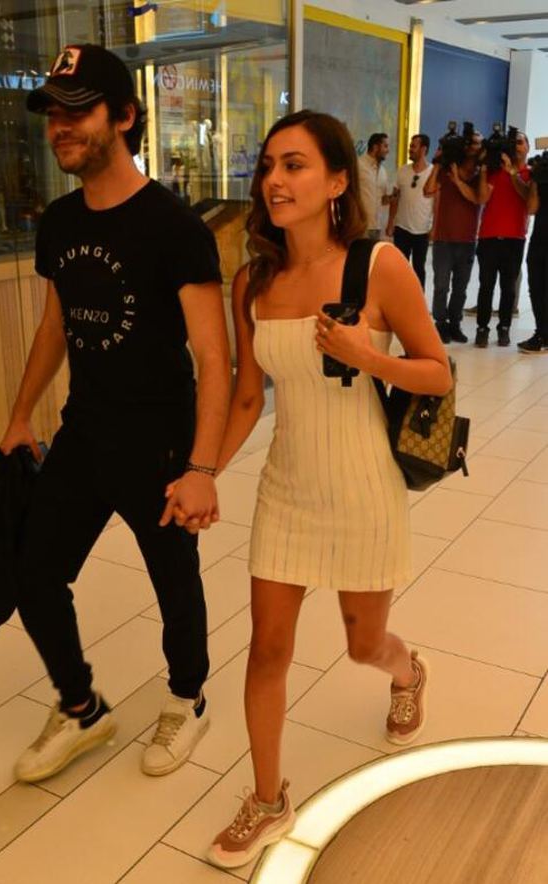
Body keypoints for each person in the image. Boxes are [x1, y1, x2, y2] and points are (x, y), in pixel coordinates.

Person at [206, 110, 451, 869]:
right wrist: (201, 473)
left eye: (295, 166)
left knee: (361, 645)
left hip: (364, 486)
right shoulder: (253, 281)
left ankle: (408, 671)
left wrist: (365, 355)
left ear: (337, 181)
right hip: (286, 487)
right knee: (266, 650)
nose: (274, 182)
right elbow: (247, 397)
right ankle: (268, 798)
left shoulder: (378, 267)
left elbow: (437, 373)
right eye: (268, 167)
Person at [0, 44, 231, 783]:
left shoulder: (175, 227)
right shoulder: (60, 222)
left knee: (173, 583)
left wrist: (202, 467)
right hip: (84, 432)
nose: (59, 127)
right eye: (52, 113)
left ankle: (188, 698)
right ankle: (81, 708)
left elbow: (214, 358)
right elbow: (54, 328)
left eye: (78, 111)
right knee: (35, 574)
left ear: (125, 116)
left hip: (160, 442)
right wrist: (20, 416)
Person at [423, 130, 485, 344]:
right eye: (470, 142)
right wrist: (437, 164)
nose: (473, 146)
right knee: (441, 285)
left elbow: (476, 198)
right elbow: (427, 190)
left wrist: (458, 181)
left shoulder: (480, 174)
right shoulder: (446, 170)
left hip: (467, 240)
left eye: (477, 143)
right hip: (443, 239)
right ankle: (440, 323)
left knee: (460, 287)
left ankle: (455, 324)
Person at [474, 132, 531, 348]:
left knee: (508, 288)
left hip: (514, 239)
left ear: (527, 147)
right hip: (489, 237)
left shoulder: (529, 173)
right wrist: (484, 170)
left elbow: (527, 199)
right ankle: (482, 328)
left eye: (520, 142)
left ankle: (504, 328)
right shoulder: (494, 172)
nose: (516, 146)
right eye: (513, 142)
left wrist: (512, 173)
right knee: (486, 286)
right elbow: (482, 198)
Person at [386, 133, 434, 290]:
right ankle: (399, 299)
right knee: (400, 268)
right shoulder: (402, 171)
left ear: (423, 149)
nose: (410, 149)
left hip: (422, 230)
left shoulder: (433, 173)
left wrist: (434, 227)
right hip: (401, 228)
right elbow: (395, 198)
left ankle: (418, 300)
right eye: (410, 146)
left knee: (419, 268)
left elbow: (438, 203)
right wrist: (390, 222)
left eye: (413, 146)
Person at [518, 162, 548, 353]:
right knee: (536, 288)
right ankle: (541, 333)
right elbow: (531, 208)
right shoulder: (543, 171)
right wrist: (536, 180)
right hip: (540, 239)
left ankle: (544, 335)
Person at [358, 132, 393, 240]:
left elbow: (383, 200)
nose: (388, 150)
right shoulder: (358, 165)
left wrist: (393, 197)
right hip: (360, 226)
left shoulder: (383, 171)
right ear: (375, 147)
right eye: (385, 146)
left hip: (377, 227)